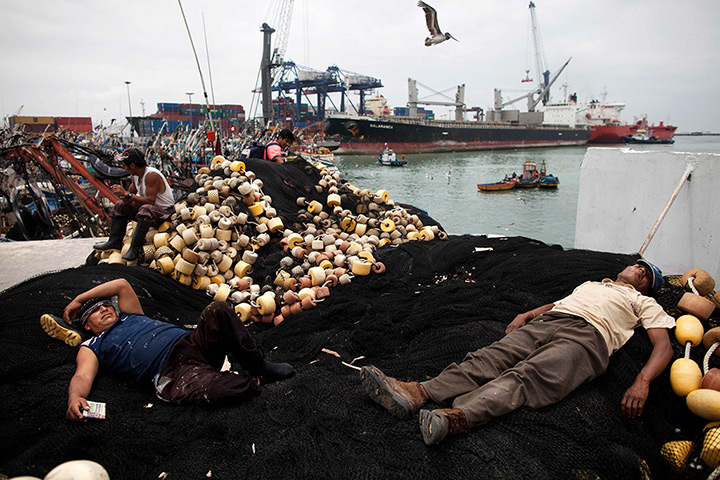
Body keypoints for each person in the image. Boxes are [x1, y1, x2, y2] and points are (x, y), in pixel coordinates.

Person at [360, 260, 675, 445]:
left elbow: (663, 346)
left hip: (589, 339)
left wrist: (643, 381)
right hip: (553, 320)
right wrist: (530, 314)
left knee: (527, 377)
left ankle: (458, 417)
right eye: (638, 265)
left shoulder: (644, 303)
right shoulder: (592, 284)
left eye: (646, 274)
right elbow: (559, 304)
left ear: (646, 287)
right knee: (491, 356)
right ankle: (417, 392)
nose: (639, 270)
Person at [41, 279, 294, 422]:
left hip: (193, 344)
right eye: (94, 311)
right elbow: (82, 376)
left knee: (217, 310)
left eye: (106, 306)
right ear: (86, 325)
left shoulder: (130, 314)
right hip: (174, 373)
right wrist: (74, 398)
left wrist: (79, 298)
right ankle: (249, 381)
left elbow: (120, 284)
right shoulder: (92, 346)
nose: (104, 310)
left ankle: (258, 365)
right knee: (224, 390)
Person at [93, 148, 175, 262]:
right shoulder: (135, 176)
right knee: (119, 205)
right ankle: (114, 242)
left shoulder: (151, 175)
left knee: (146, 209)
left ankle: (134, 249)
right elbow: (129, 199)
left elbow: (150, 201)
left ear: (132, 165)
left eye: (125, 165)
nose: (124, 168)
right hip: (151, 210)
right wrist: (124, 197)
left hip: (165, 212)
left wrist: (128, 194)